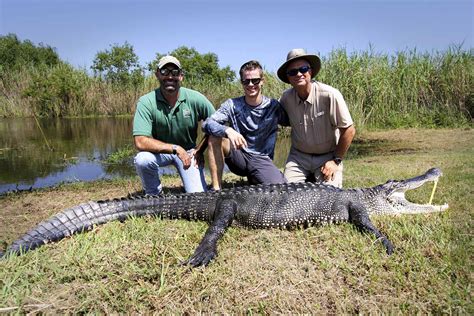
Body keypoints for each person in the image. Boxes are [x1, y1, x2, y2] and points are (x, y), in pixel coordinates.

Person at [133, 55, 215, 194]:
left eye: (175, 72)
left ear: (181, 76)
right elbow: (140, 142)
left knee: (198, 197)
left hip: (189, 153)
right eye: (165, 72)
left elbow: (218, 124)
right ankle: (153, 195)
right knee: (143, 159)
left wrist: (200, 149)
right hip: (160, 152)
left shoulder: (195, 98)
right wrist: (175, 148)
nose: (170, 76)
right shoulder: (146, 101)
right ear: (157, 74)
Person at [202, 60, 287, 190]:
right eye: (246, 81)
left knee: (281, 188)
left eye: (255, 80)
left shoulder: (273, 106)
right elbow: (207, 124)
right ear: (242, 82)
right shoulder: (232, 105)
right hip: (239, 156)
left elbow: (294, 122)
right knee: (214, 137)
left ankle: (256, 178)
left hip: (262, 159)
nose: (251, 84)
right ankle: (216, 189)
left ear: (262, 81)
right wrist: (227, 130)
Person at [277, 48, 356, 187]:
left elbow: (349, 130)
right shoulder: (285, 98)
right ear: (288, 78)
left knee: (330, 196)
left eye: (303, 69)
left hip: (327, 156)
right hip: (298, 157)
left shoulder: (330, 95)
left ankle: (319, 176)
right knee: (286, 192)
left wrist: (335, 160)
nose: (299, 74)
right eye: (293, 72)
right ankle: (308, 178)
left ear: (310, 71)